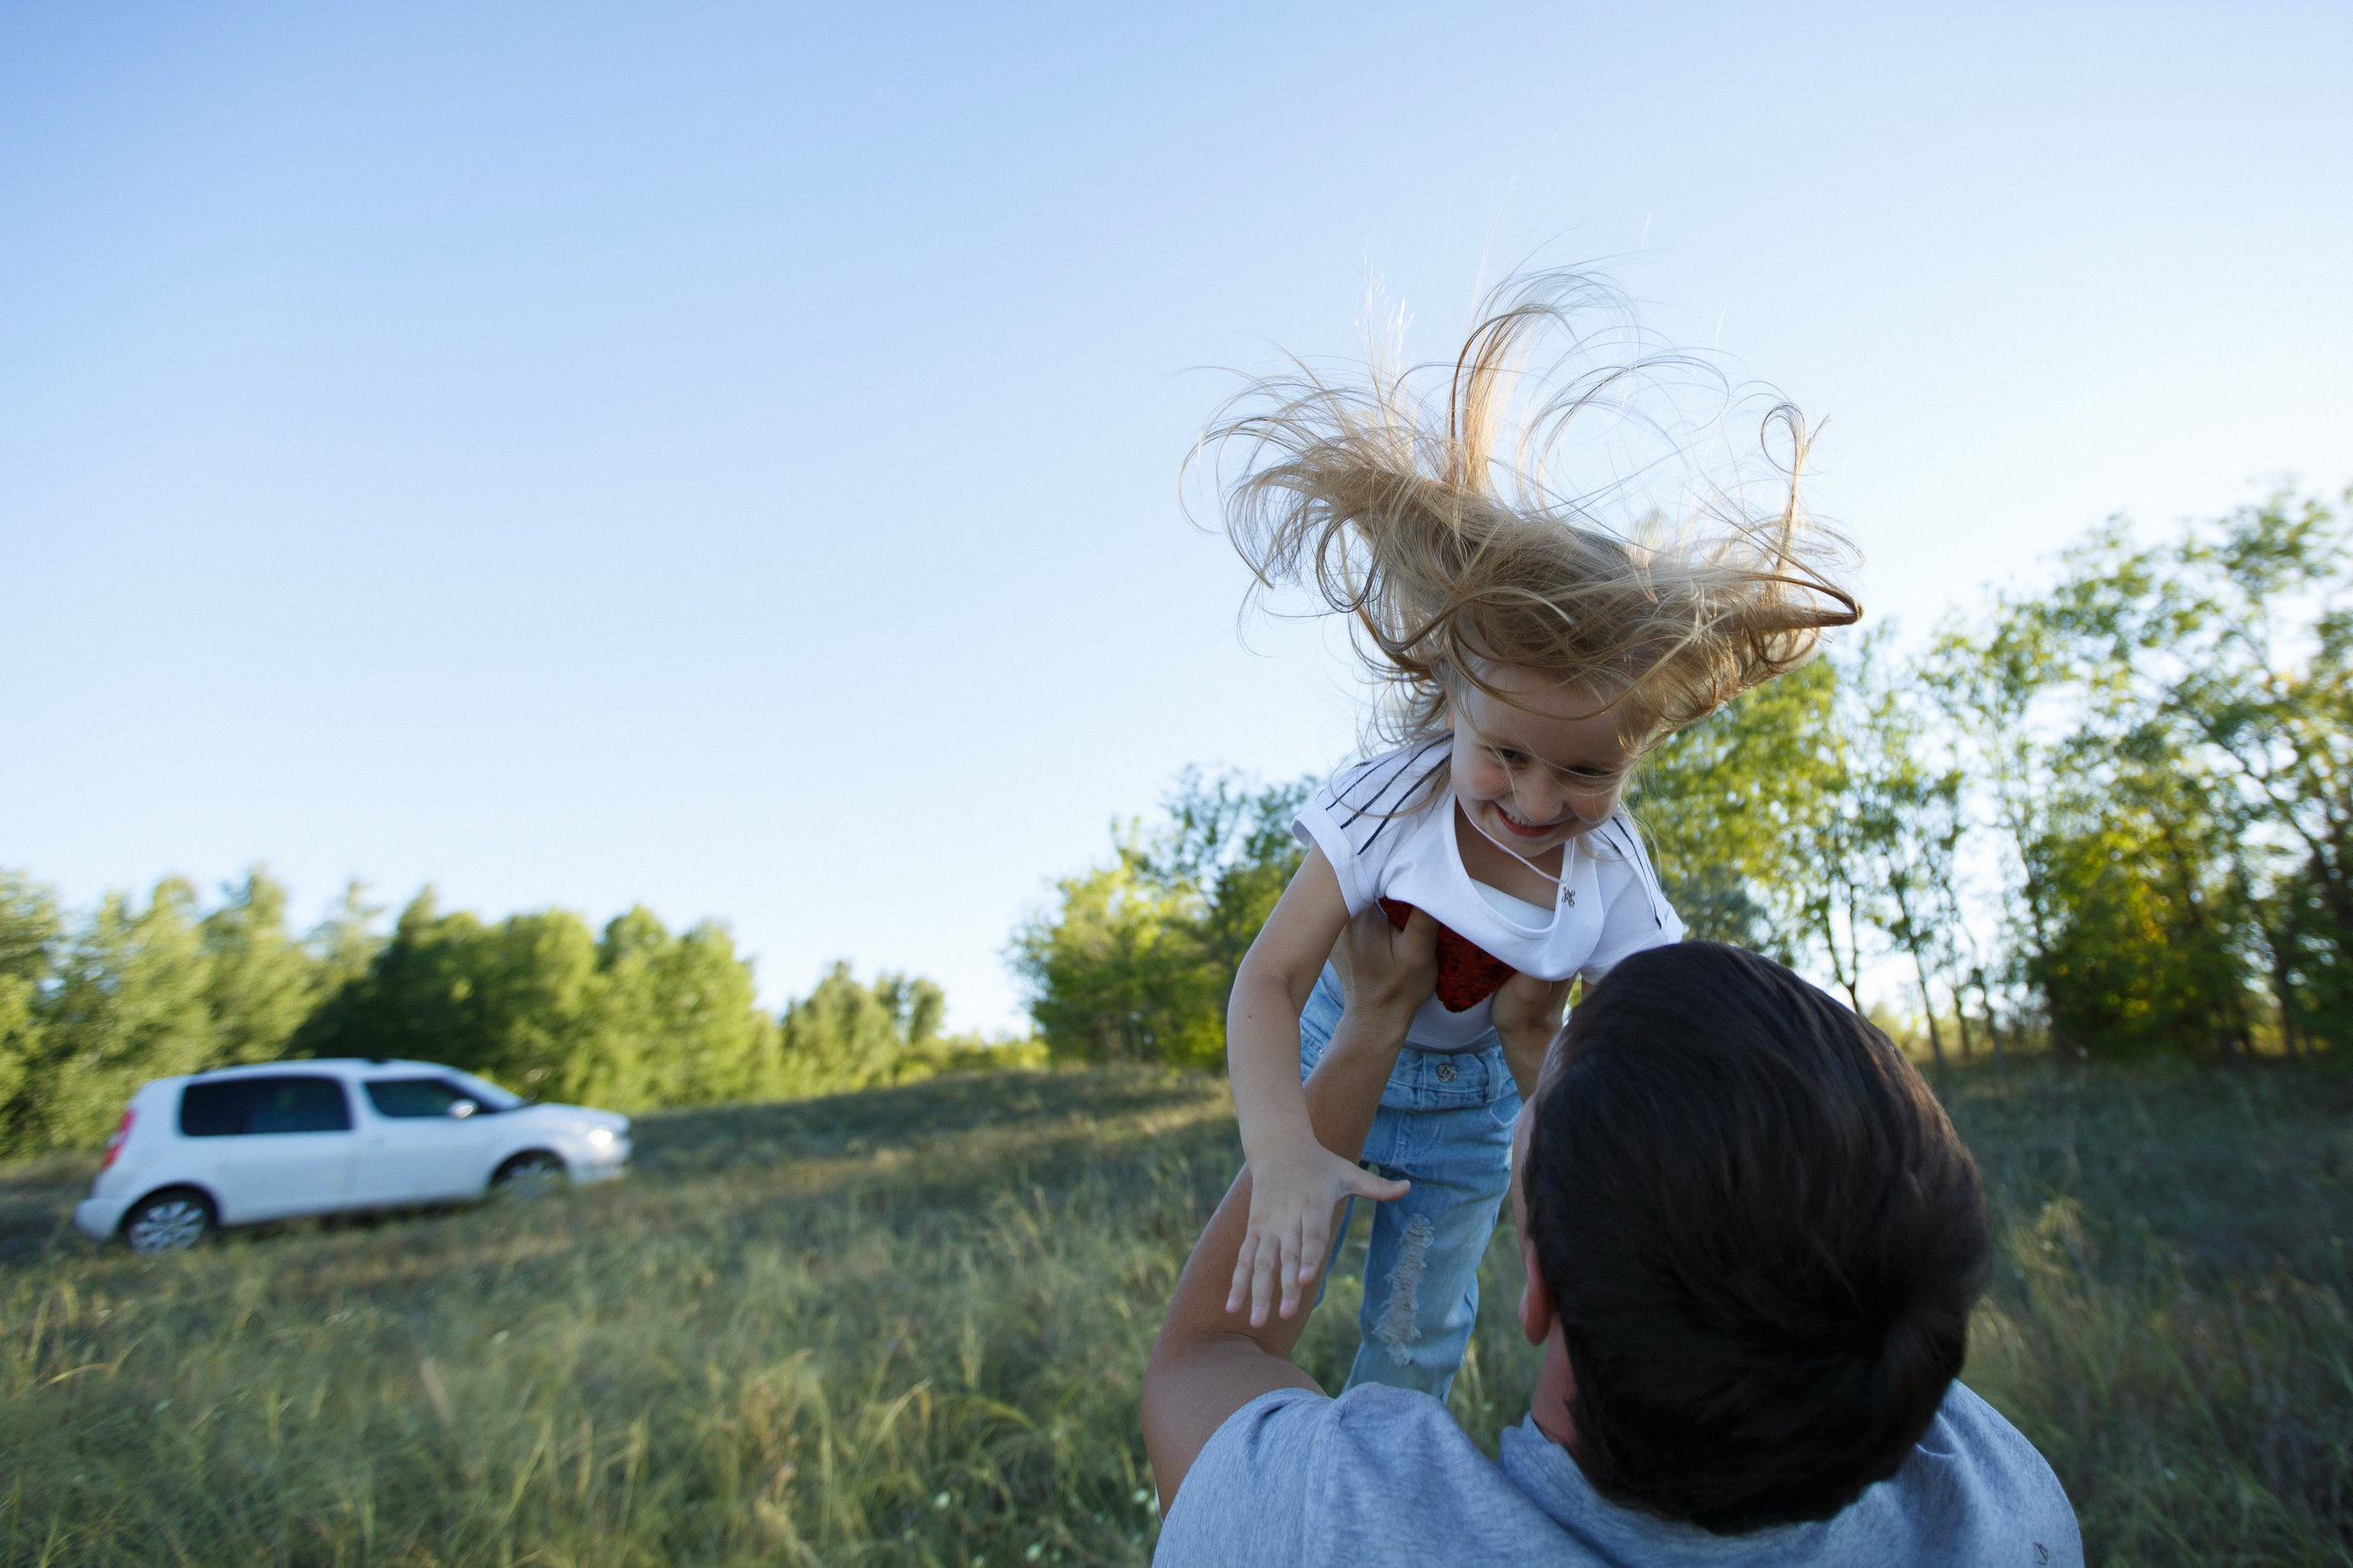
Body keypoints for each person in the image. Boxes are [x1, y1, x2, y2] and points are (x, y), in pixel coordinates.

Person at [1204, 271, 1860, 1395]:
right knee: (1272, 1280)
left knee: (1418, 1332)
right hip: (1330, 1055)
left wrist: (1554, 1110)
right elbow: (1266, 977)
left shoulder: (1609, 873)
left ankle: (1387, 1508)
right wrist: (1281, 1148)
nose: (1539, 800)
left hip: (1474, 1116)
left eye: (1588, 768)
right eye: (1504, 752)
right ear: (1448, 698)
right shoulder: (1387, 800)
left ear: (1637, 754)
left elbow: (1663, 1028)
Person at [1142, 915, 2083, 1566]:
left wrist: (1372, 1022)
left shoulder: (1329, 1527)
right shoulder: (2004, 1509)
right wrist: (1547, 1064)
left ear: (1538, 1286)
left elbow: (1205, 1359)